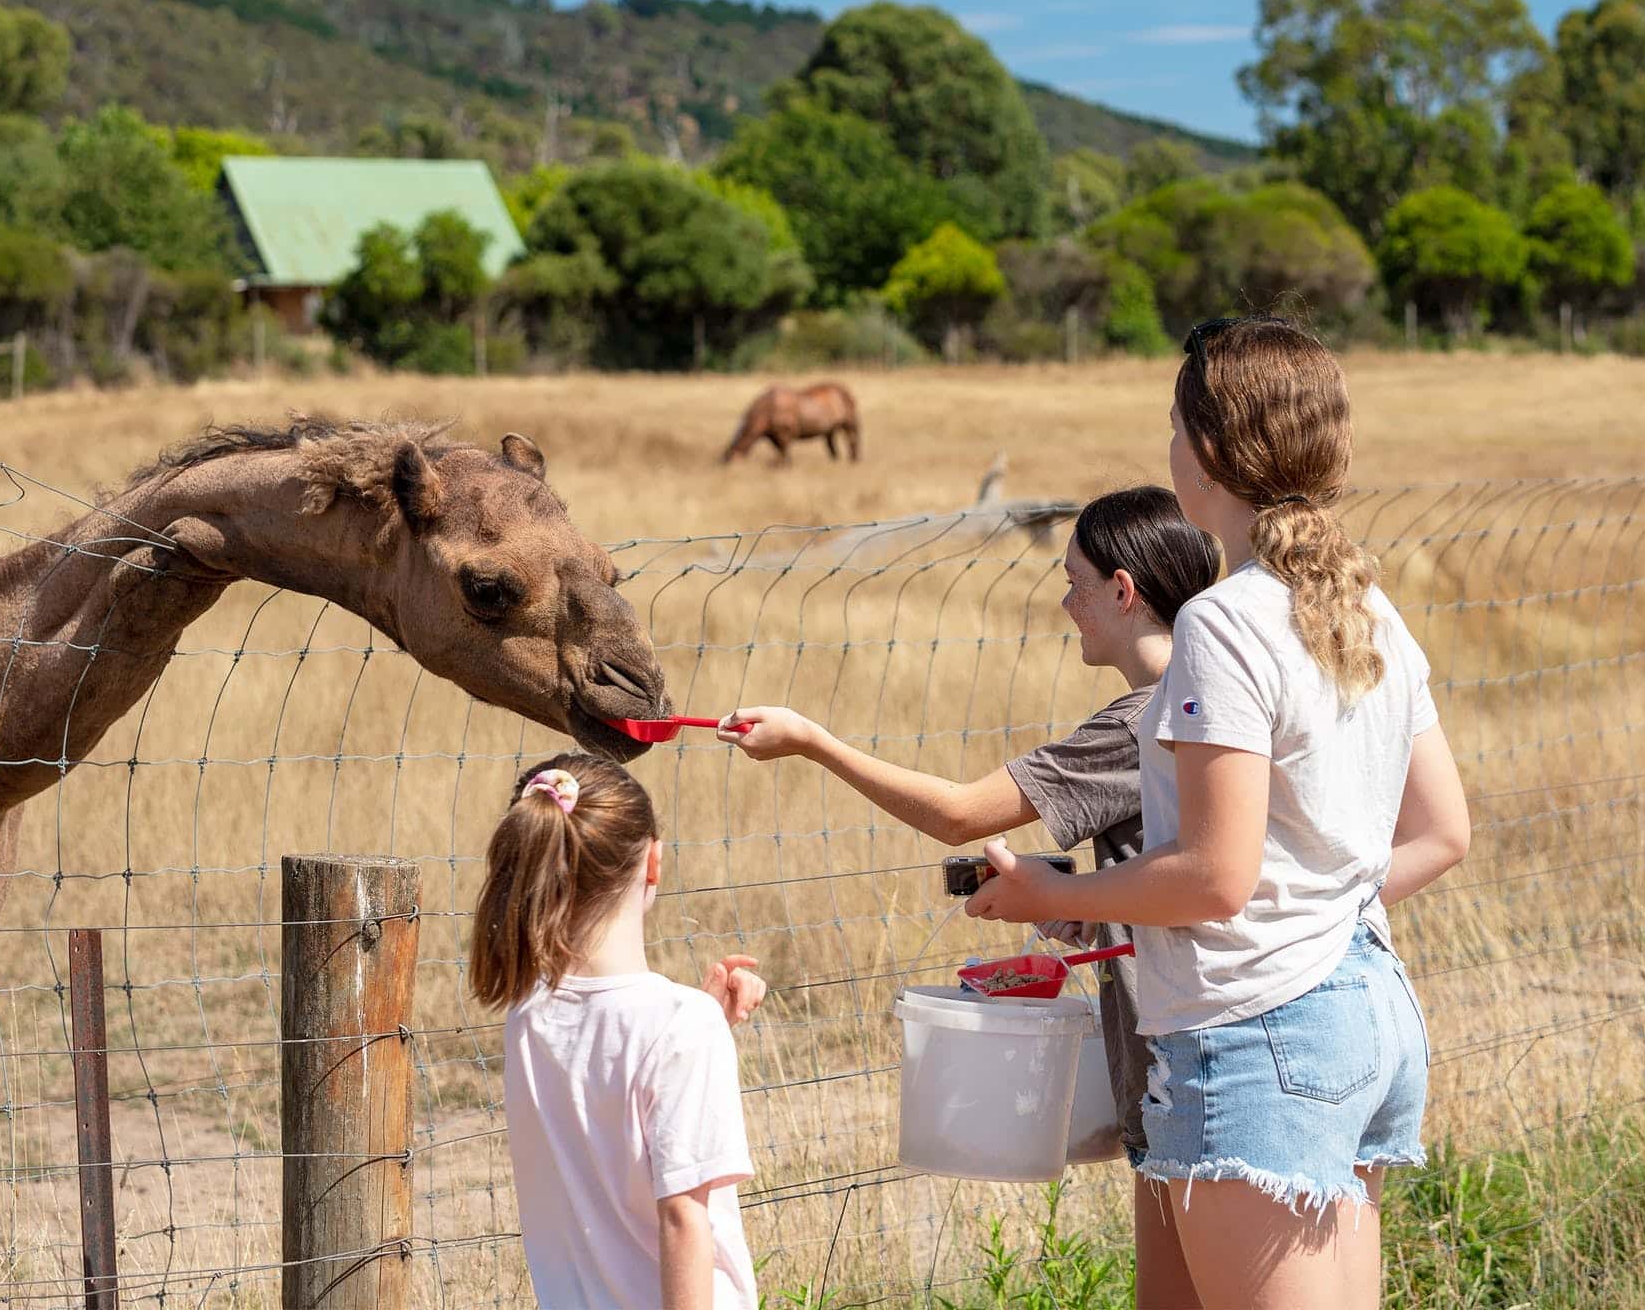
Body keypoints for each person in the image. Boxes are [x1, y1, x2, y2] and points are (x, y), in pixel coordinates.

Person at [963, 316, 1472, 1309]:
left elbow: (1214, 877)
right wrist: (1309, 913)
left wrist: (1044, 888)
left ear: (1203, 452)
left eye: (1170, 426)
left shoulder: (1223, 623)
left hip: (1255, 1038)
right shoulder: (1367, 607)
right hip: (1365, 1014)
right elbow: (1439, 834)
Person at [717, 486, 1222, 1309]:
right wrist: (1069, 901)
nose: (1066, 604)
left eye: (1077, 584)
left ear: (1125, 592)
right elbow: (1182, 873)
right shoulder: (1222, 697)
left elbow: (958, 814)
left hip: (1183, 1069)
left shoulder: (1144, 718)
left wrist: (814, 742)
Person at [470, 752, 768, 1310]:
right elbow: (682, 1219)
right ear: (654, 863)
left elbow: (606, 1078)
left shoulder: (527, 1015)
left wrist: (704, 1023)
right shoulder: (679, 1027)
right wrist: (696, 1027)